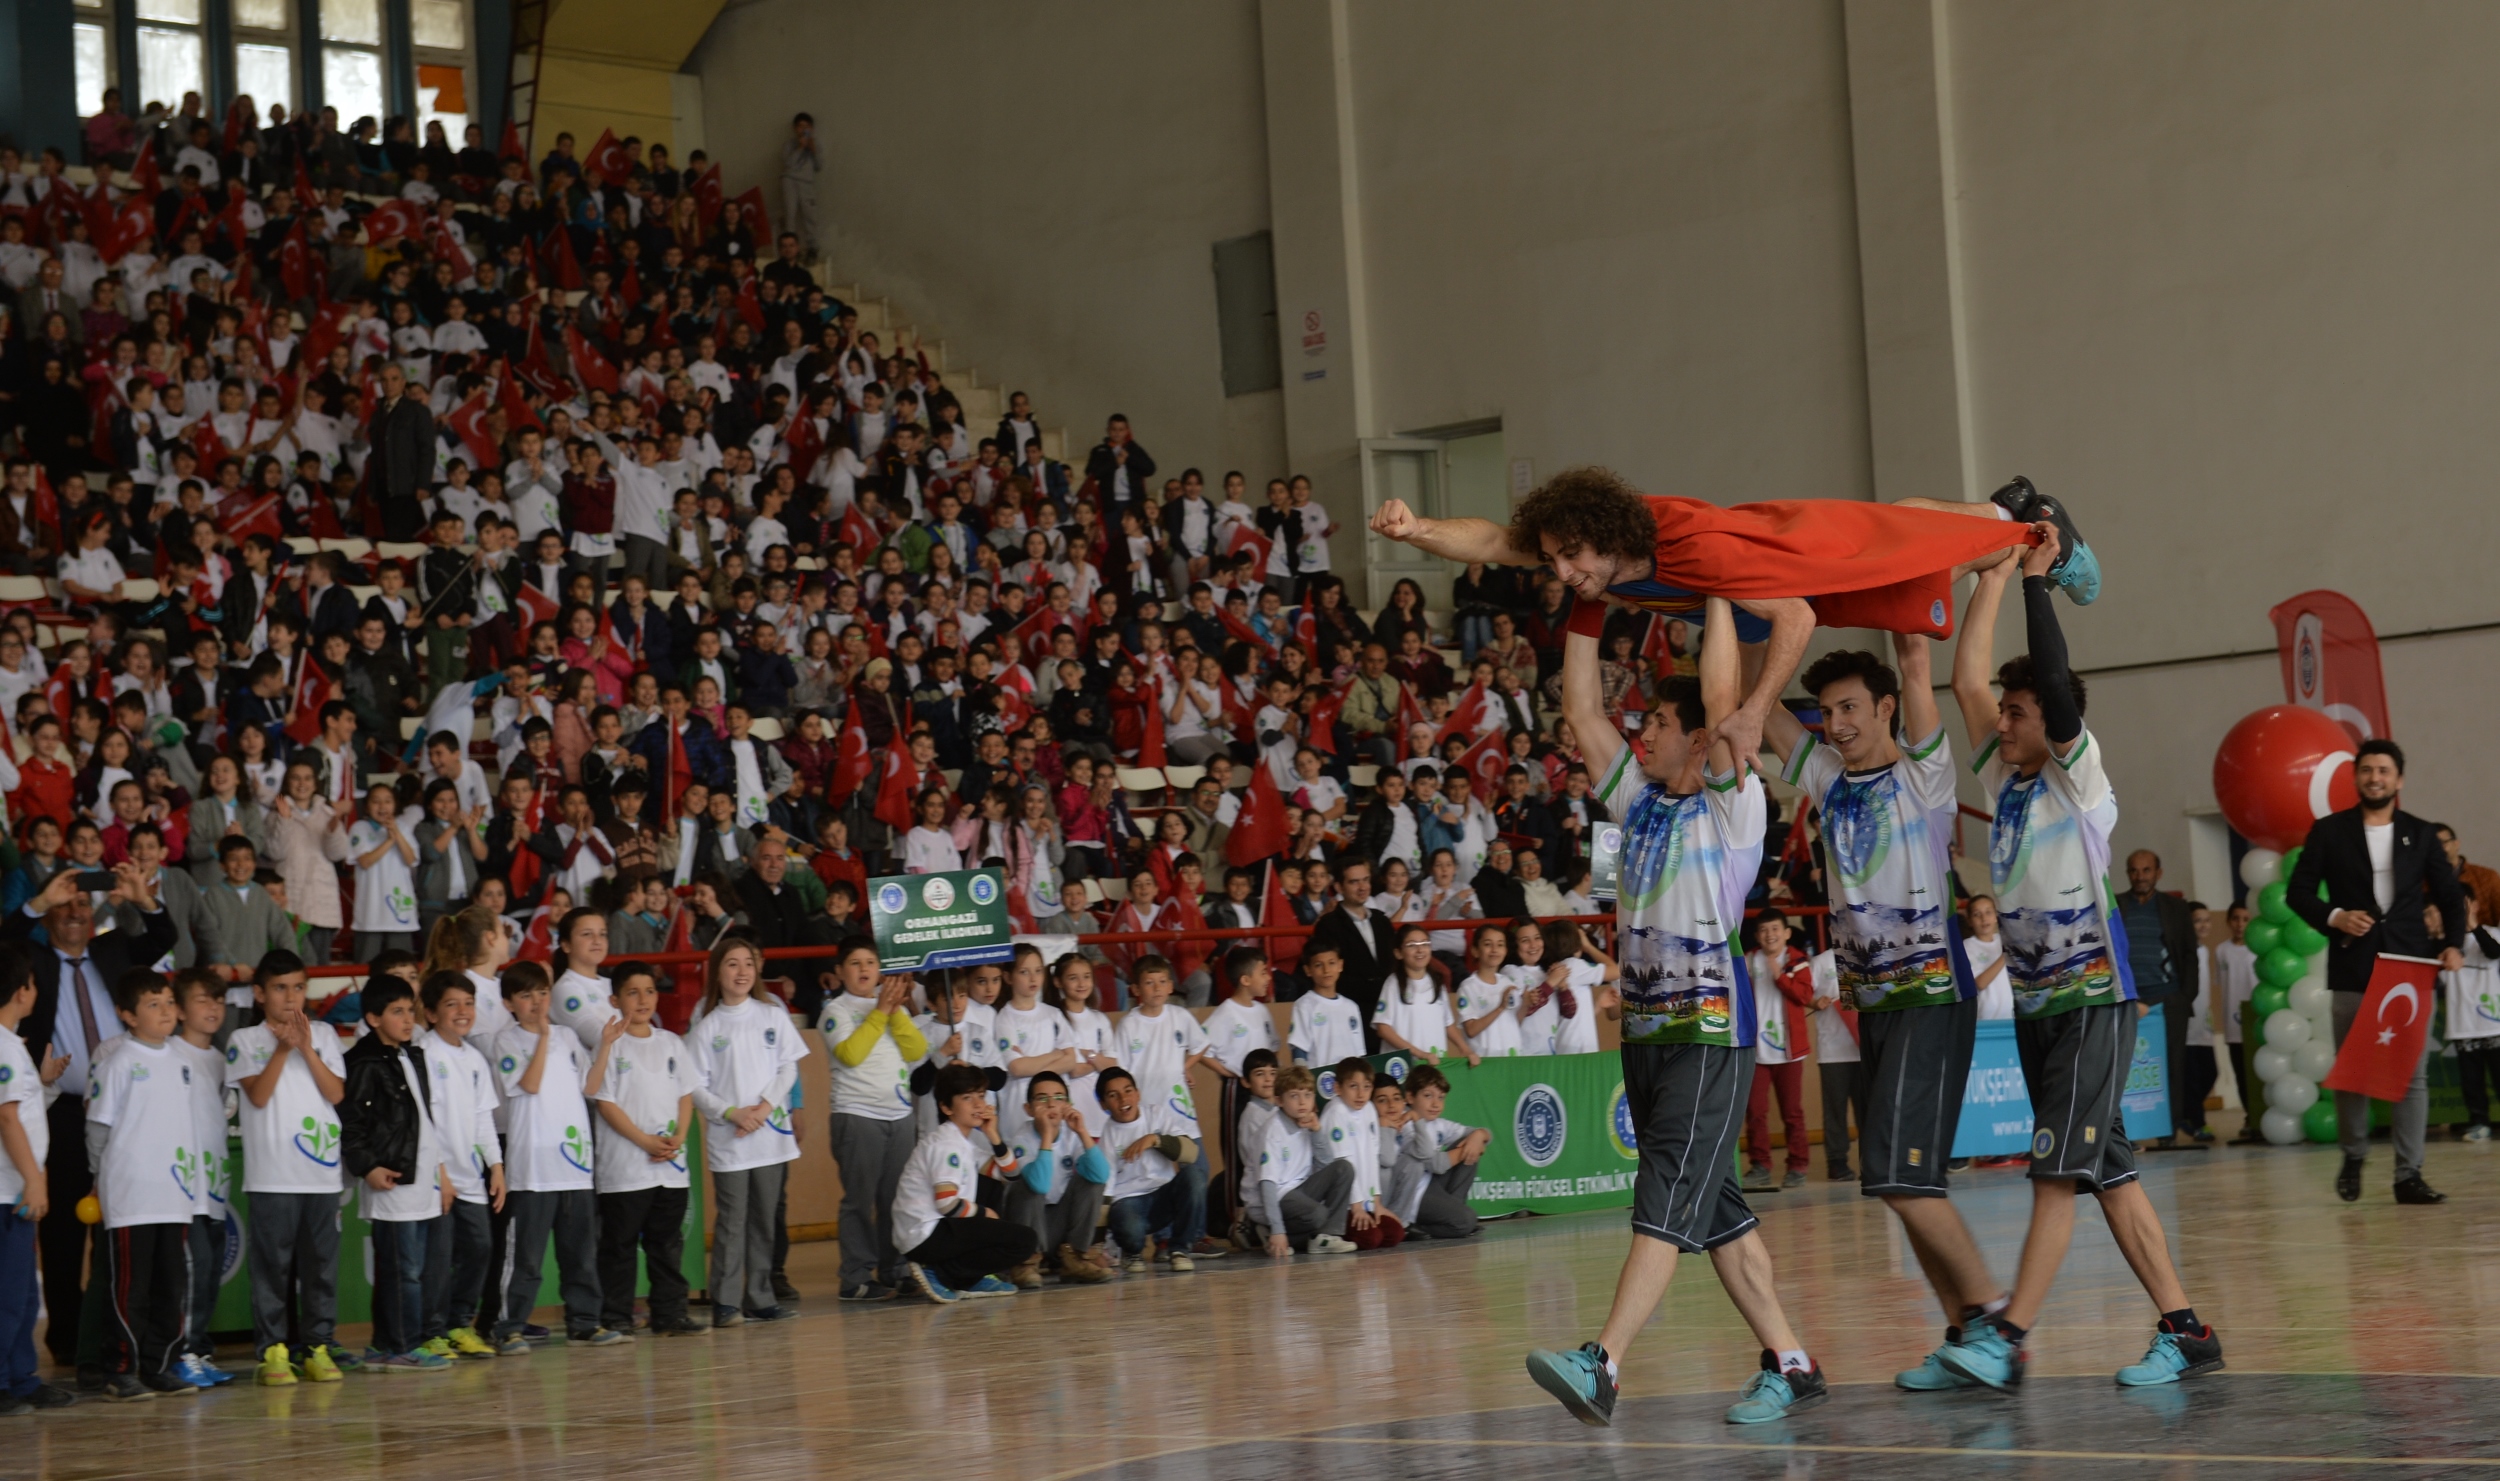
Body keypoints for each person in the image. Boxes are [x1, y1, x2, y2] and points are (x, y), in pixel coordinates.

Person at [1525, 595, 1827, 1428]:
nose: (1640, 733)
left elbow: (1726, 704)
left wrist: (1719, 595)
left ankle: (1604, 1362)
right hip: (1648, 1034)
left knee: (1662, 1196)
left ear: (1699, 739)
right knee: (1718, 1209)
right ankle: (1792, 1362)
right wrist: (1586, 606)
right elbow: (1581, 710)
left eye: (1657, 721)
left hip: (1706, 1035)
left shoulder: (1733, 807)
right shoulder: (1638, 802)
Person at [1939, 537, 2221, 1389]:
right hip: (2040, 1010)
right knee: (2111, 1176)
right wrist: (1991, 576)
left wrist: (2035, 582)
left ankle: (2009, 1337)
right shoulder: (2005, 782)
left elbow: (2056, 687)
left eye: (2018, 712)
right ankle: (2188, 1330)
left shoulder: (2080, 780)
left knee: (2056, 1175)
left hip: (2093, 1001)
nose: (2003, 721)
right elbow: (1966, 681)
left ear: (2053, 721)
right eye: (2005, 713)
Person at [1370, 465, 2075, 771]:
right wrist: (1417, 527)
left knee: (1922, 550)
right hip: (1755, 595)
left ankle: (2032, 527)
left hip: (1804, 564)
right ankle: (2008, 507)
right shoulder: (1597, 549)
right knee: (1910, 541)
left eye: (1569, 558)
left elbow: (1793, 616)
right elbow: (1496, 540)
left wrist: (1753, 712)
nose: (1560, 573)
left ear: (1607, 540)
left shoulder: (1697, 552)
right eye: (1552, 559)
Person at [1762, 619, 2008, 1394]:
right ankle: (1965, 1334)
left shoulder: (1925, 774)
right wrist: (1750, 617)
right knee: (1908, 1183)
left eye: (1849, 708)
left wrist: (1901, 591)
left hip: (1931, 991)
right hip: (1877, 1004)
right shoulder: (1827, 779)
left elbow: (1913, 653)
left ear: (1886, 708)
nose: (1836, 723)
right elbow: (1760, 707)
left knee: (1898, 1176)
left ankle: (1998, 1325)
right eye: (1826, 711)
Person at [5, 863, 176, 1377]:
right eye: (64, 904)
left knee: (117, 1226)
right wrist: (37, 902)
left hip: (122, 1112)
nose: (76, 912)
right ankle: (66, 1341)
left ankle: (110, 1339)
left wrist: (142, 899)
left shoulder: (112, 949)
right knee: (60, 1231)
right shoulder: (32, 960)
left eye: (83, 903)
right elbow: (3, 942)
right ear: (48, 915)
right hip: (57, 1110)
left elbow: (164, 936)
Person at [2285, 737, 2465, 1205]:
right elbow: (2298, 892)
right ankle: (2354, 1154)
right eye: (2367, 770)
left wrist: (2452, 944)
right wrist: (2335, 916)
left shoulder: (2420, 833)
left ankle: (2409, 1174)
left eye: (2384, 770)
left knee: (2412, 1074)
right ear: (2355, 777)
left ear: (2398, 780)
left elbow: (2450, 895)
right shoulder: (2329, 831)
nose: (2375, 778)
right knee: (2354, 1070)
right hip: (2353, 963)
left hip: (2409, 965)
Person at [227, 949, 358, 1385]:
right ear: (259, 994)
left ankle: (318, 1346)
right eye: (280, 988)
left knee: (321, 1266)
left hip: (321, 1175)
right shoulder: (244, 1040)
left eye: (298, 987)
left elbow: (336, 1094)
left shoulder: (323, 1033)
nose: (290, 997)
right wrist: (283, 1049)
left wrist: (305, 1046)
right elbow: (259, 1095)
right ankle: (274, 1351)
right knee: (272, 1268)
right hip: (272, 1176)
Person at [488, 959, 623, 1352]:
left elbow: (590, 1086)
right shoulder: (506, 1040)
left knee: (580, 1254)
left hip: (574, 1167)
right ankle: (509, 1326)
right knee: (526, 1259)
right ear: (509, 1003)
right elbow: (528, 1085)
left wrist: (605, 1046)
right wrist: (544, 1038)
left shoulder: (567, 1037)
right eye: (526, 995)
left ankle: (585, 1322)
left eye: (543, 993)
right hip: (533, 1170)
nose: (537, 1002)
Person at [84, 968, 201, 1401]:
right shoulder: (118, 1062)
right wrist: (98, 1179)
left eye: (169, 1002)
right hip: (131, 1195)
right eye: (153, 1005)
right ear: (128, 1015)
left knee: (170, 1286)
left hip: (174, 1195)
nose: (166, 1011)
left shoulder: (183, 1062)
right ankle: (120, 1369)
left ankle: (160, 1365)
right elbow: (97, 1128)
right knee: (130, 1288)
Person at [687, 934, 808, 1324]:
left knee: (763, 1219)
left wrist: (766, 1107)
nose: (742, 972)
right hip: (731, 1139)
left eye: (748, 964)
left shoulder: (772, 1015)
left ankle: (759, 1296)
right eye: (732, 964)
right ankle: (725, 1302)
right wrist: (732, 1114)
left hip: (771, 1137)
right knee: (732, 1220)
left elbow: (788, 1067)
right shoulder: (707, 1026)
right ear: (717, 972)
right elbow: (695, 1086)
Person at [339, 974, 455, 1373]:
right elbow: (351, 1122)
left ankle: (385, 1345)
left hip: (421, 1177)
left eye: (410, 1010)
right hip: (391, 1177)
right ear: (373, 1018)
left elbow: (424, 1118)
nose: (408, 1020)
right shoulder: (362, 1062)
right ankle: (403, 1345)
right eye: (397, 1012)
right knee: (402, 1270)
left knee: (407, 1268)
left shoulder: (411, 1055)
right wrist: (368, 1166)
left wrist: (439, 1172)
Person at [590, 961, 701, 1337]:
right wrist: (644, 1141)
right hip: (625, 1169)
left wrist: (678, 1138)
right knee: (619, 1246)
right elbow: (605, 1103)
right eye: (632, 992)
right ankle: (616, 1316)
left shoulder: (670, 1042)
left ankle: (670, 1314)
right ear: (615, 1000)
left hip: (670, 1167)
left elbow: (685, 1095)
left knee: (666, 1244)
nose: (643, 999)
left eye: (650, 991)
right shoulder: (609, 1045)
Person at [822, 938, 926, 1302]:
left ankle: (895, 1270)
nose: (864, 969)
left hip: (899, 1115)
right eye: (855, 963)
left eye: (870, 962)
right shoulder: (835, 1010)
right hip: (857, 1115)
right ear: (840, 972)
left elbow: (916, 1050)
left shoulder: (892, 1007)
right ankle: (855, 1277)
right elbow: (850, 1054)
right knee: (859, 1200)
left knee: (895, 1198)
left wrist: (893, 1011)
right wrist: (881, 1010)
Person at [0, 940, 76, 1414]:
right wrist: (34, 1179)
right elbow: (7, 1118)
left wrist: (43, 1083)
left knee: (25, 1294)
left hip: (13, 1188)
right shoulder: (4, 1046)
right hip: (8, 1190)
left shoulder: (13, 1045)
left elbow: (22, 1111)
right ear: (22, 990)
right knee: (8, 1294)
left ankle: (21, 1378)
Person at [413, 970, 504, 1359]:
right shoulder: (424, 1053)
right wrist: (439, 1172)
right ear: (432, 1013)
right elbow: (422, 1119)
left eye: (469, 1003)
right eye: (452, 1004)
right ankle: (432, 1330)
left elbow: (483, 1117)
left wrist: (495, 1165)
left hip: (470, 1177)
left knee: (480, 1247)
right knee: (437, 1257)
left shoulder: (475, 1059)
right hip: (437, 1177)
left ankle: (458, 1323)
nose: (463, 1011)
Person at [894, 1061, 1041, 1302]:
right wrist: (985, 1214)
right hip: (924, 1234)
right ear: (946, 1107)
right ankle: (941, 1273)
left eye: (981, 1096)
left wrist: (993, 1135)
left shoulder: (963, 1144)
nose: (978, 1104)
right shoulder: (946, 1145)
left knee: (993, 1185)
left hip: (934, 1229)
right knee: (1024, 1240)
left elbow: (1010, 1174)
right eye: (967, 1098)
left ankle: (966, 1277)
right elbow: (947, 1204)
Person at [2116, 849, 2203, 1146]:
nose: (2140, 876)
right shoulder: (2116, 905)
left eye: (2146, 870)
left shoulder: (2176, 908)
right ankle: (2130, 1133)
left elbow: (2190, 955)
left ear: (2158, 873)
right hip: (2128, 1001)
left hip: (2168, 1000)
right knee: (2127, 1068)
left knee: (2172, 1068)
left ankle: (2168, 1132)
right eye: (2134, 870)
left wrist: (2184, 997)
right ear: (2128, 873)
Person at [1002, 1070, 1111, 1285]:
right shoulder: (1021, 1138)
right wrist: (1047, 1136)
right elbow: (1039, 1185)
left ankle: (1075, 1258)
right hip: (1030, 1227)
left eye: (1059, 1097)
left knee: (1092, 1182)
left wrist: (1082, 1131)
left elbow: (1101, 1175)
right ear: (1028, 1109)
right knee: (1028, 1184)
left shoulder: (1072, 1134)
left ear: (1068, 1104)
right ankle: (1026, 1263)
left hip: (1058, 1228)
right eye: (1042, 1098)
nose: (1051, 1104)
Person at [1243, 1064, 1356, 1258]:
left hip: (1298, 1189)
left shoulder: (1307, 1122)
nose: (1303, 1102)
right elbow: (1267, 1185)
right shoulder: (1272, 1132)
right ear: (1279, 1100)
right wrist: (1278, 1229)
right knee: (1318, 1214)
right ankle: (1272, 1233)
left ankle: (1328, 1236)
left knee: (1344, 1168)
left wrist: (1317, 1131)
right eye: (1294, 1096)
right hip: (1270, 1197)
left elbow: (1327, 1165)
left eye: (1308, 1095)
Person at [1741, 913, 1812, 1193]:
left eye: (1775, 928)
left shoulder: (1798, 960)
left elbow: (1805, 996)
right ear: (1757, 936)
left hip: (1789, 1051)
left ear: (1787, 933)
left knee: (1792, 1112)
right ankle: (1760, 1165)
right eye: (1763, 930)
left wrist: (1780, 976)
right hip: (1755, 1051)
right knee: (1755, 1112)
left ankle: (1797, 1166)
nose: (1769, 934)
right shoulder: (1748, 960)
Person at [1389, 1062, 1488, 1240]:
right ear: (1410, 1097)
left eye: (1441, 1098)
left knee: (1471, 1146)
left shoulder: (1438, 1123)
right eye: (1428, 1096)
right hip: (1413, 1195)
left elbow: (1485, 1135)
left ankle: (1455, 1214)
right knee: (1466, 1221)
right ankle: (1413, 1227)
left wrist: (1479, 1135)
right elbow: (1436, 1164)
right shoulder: (1404, 1123)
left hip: (1432, 1185)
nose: (1435, 1104)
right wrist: (1470, 1145)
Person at [1288, 944, 1366, 1067]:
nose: (1326, 970)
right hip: (1319, 1076)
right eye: (1318, 965)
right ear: (1308, 970)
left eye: (1331, 963)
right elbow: (1299, 1049)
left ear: (1340, 965)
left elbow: (1359, 1052)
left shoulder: (1351, 1007)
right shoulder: (1304, 1005)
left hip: (1349, 1077)